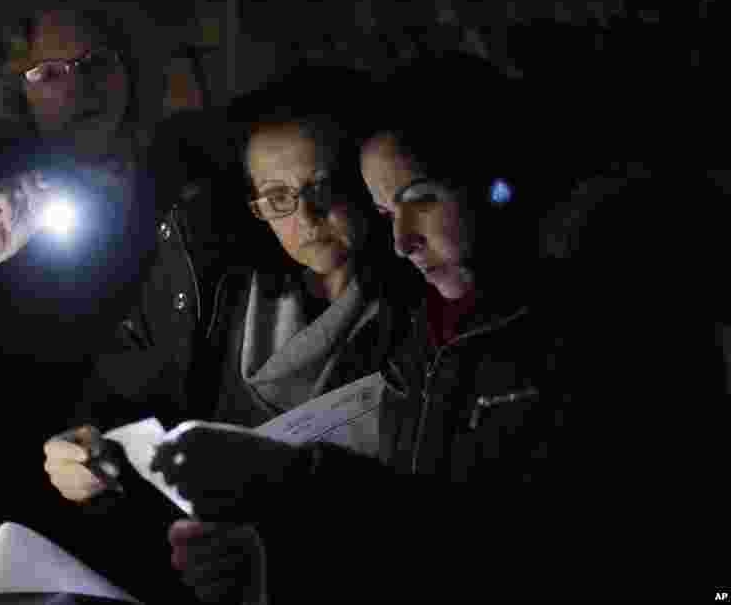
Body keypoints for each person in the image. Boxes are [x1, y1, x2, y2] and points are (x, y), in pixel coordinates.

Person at [149, 58, 730, 599]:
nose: (402, 240)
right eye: (385, 212)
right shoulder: (429, 337)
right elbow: (414, 528)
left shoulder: (606, 333)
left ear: (498, 181)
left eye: (420, 198)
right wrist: (270, 554)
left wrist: (296, 482)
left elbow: (545, 545)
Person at [44, 67, 415, 604]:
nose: (307, 216)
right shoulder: (215, 288)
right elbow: (114, 411)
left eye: (322, 187)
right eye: (279, 196)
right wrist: (85, 463)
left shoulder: (418, 312)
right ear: (256, 209)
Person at [0, 0, 237, 566]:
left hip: (159, 489)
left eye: (95, 64)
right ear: (20, 90)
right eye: (49, 73)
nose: (81, 87)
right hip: (16, 504)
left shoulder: (178, 178)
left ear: (128, 70)